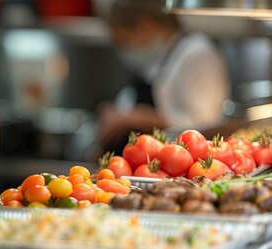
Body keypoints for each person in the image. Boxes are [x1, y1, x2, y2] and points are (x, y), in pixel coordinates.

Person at [98, 0, 229, 152]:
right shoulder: (160, 56)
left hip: (186, 158)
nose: (125, 50)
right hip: (155, 157)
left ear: (145, 24)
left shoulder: (198, 54)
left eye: (124, 41)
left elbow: (202, 125)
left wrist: (133, 117)